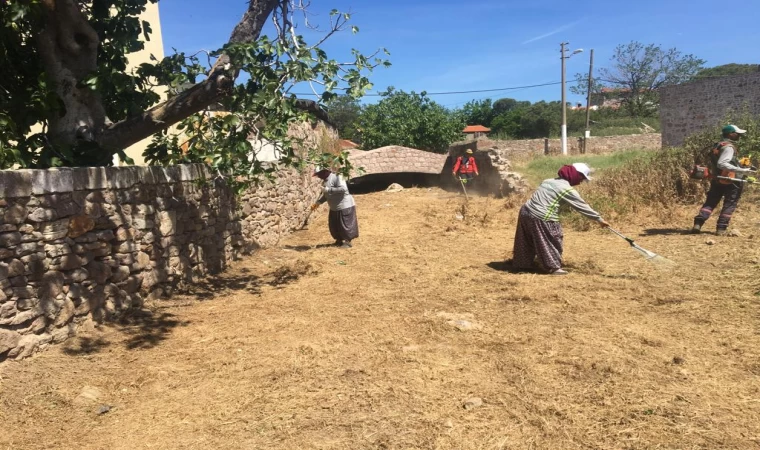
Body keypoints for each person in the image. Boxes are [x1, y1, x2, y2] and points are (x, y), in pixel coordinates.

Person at [512, 163, 610, 275]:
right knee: (552, 239)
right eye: (581, 178)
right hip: (542, 216)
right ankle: (553, 267)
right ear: (575, 174)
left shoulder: (547, 181)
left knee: (525, 240)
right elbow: (582, 206)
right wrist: (599, 219)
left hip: (525, 211)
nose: (581, 181)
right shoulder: (567, 189)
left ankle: (522, 265)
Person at [691, 124, 756, 236]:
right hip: (732, 180)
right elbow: (722, 163)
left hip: (717, 178)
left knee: (711, 201)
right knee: (730, 203)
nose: (739, 136)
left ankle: (698, 223)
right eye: (737, 134)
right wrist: (743, 170)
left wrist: (739, 163)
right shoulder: (729, 147)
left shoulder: (718, 145)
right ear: (731, 134)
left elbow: (719, 162)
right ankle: (721, 229)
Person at [311, 167, 359, 248]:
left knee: (345, 225)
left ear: (324, 171)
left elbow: (343, 189)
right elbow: (326, 195)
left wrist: (329, 190)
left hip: (344, 206)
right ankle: (339, 241)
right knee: (335, 225)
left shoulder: (337, 177)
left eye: (319, 174)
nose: (318, 176)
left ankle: (347, 242)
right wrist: (318, 203)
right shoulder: (325, 182)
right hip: (334, 207)